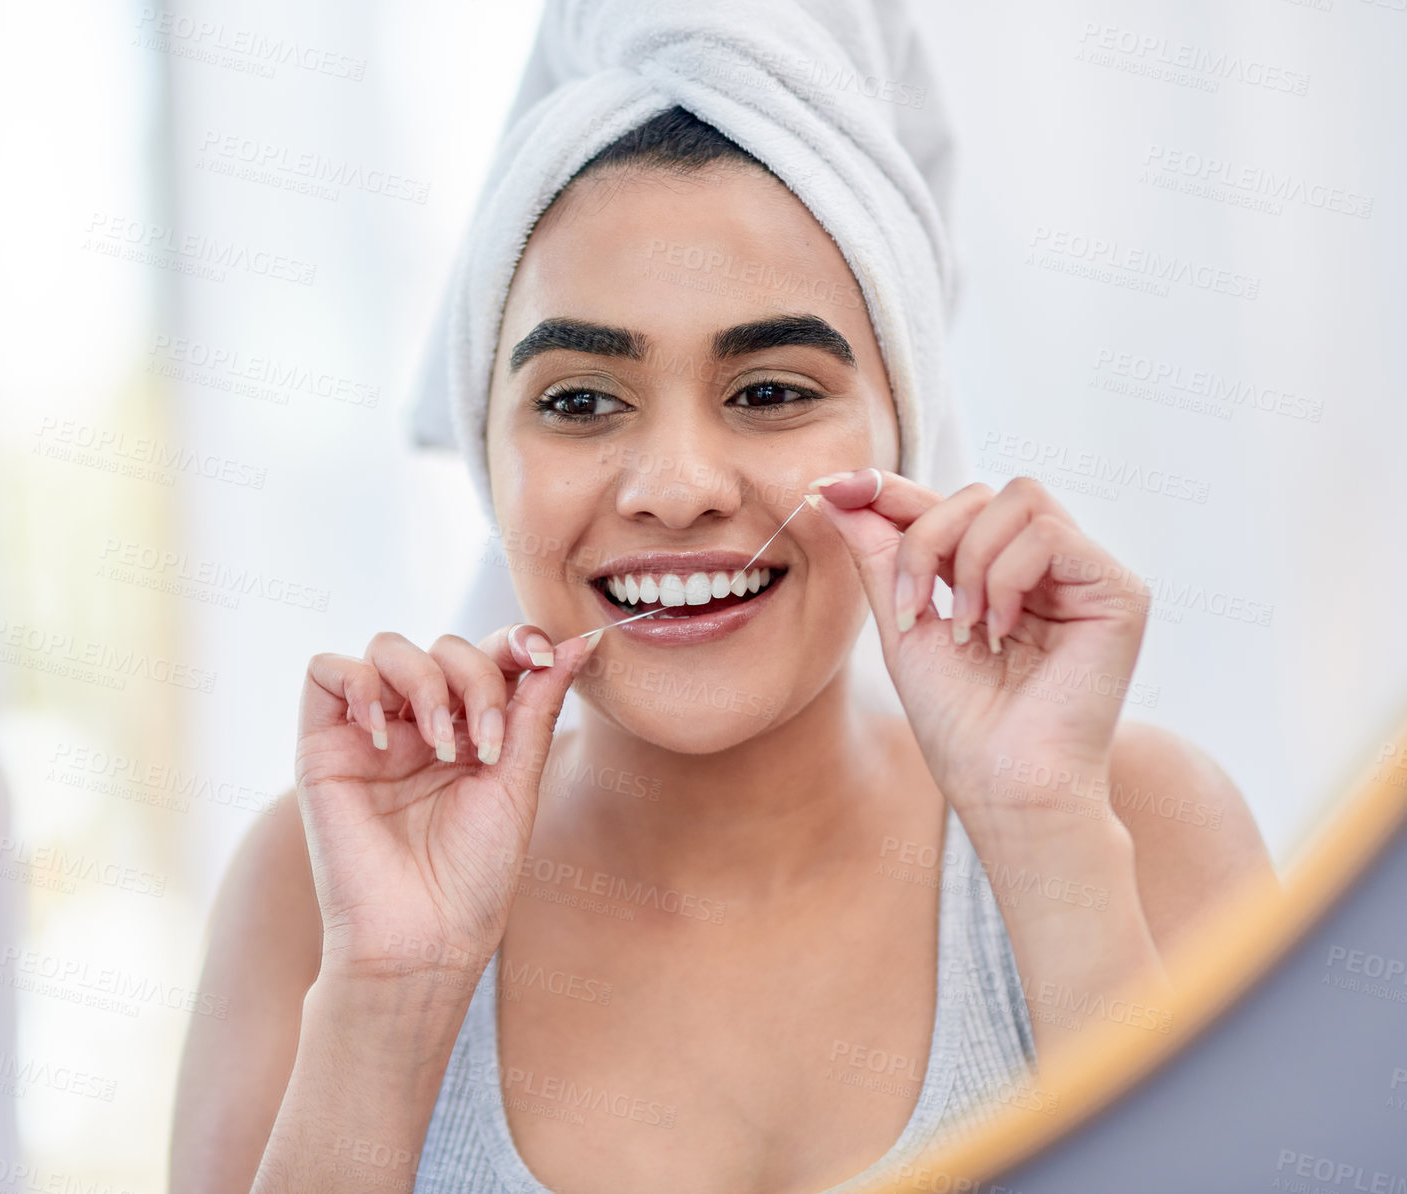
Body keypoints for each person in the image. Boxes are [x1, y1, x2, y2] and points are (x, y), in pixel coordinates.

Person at [170, 11, 1276, 1193]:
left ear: (900, 431)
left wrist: (1045, 840)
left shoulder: (1135, 824)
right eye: (581, 403)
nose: (678, 489)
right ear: (490, 460)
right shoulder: (320, 886)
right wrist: (392, 996)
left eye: (767, 389)